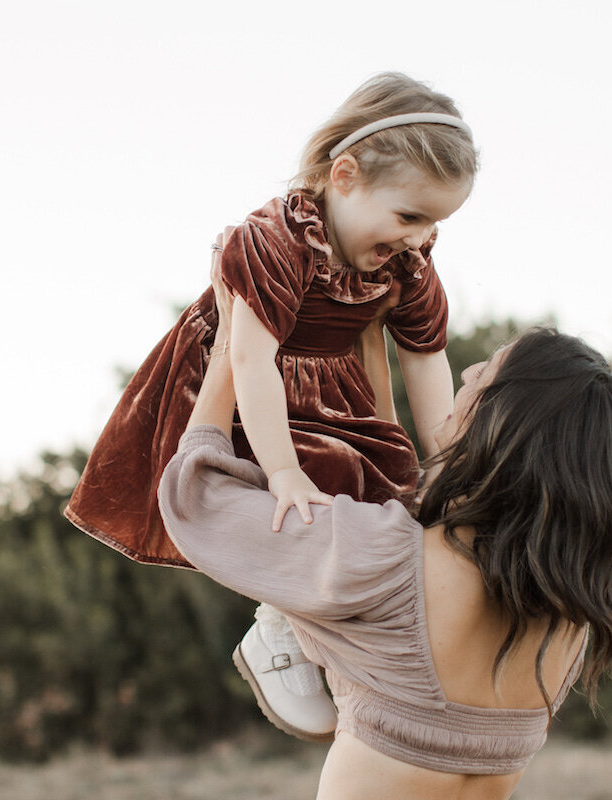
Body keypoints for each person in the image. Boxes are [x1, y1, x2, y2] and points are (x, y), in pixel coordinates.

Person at [64, 73, 479, 737]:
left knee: (396, 488)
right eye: (409, 216)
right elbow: (251, 361)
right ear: (345, 177)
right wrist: (283, 469)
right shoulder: (276, 240)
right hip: (242, 384)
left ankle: (334, 632)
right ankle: (279, 627)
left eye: (435, 222)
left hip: (333, 389)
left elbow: (426, 358)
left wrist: (452, 462)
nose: (419, 235)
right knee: (312, 475)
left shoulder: (406, 264)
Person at [158, 269, 612, 798]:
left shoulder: (385, 562)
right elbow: (406, 496)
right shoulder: (569, 618)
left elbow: (197, 496)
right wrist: (372, 344)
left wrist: (230, 350)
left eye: (487, 372)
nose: (469, 373)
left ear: (509, 424)